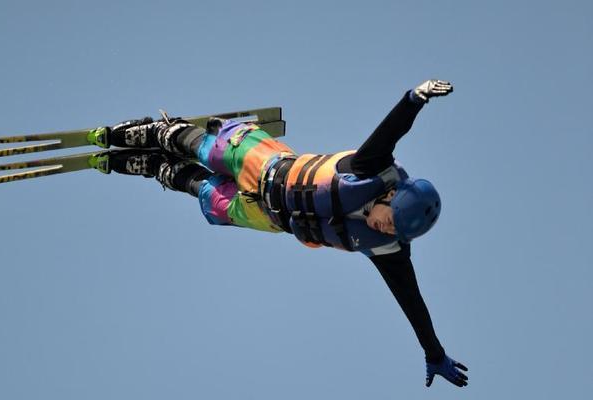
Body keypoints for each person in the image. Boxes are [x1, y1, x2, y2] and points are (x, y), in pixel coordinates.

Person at [92, 79, 468, 387]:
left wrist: (433, 352)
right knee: (213, 150)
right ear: (390, 194)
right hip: (266, 166)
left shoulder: (388, 247)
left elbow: (412, 301)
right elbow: (389, 133)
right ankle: (167, 133)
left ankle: (165, 171)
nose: (386, 228)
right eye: (391, 218)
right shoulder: (370, 168)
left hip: (268, 215)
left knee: (211, 200)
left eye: (395, 230)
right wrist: (414, 99)